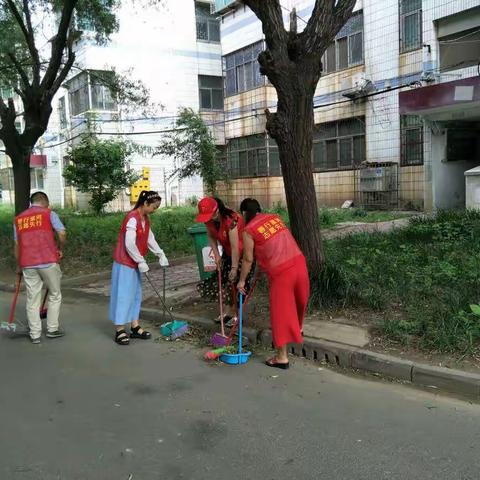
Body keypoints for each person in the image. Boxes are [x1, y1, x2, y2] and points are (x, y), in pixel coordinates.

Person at [237, 198, 310, 369]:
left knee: (281, 314)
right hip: (299, 263)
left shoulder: (249, 230)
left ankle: (281, 358)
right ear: (259, 209)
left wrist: (242, 281)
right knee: (300, 301)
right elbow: (274, 244)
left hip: (281, 273)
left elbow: (248, 259)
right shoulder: (275, 218)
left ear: (244, 213)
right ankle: (298, 328)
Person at [109, 190, 169, 345]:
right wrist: (140, 260)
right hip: (124, 263)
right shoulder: (132, 218)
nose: (155, 210)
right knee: (123, 295)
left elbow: (149, 238)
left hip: (135, 263)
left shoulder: (145, 218)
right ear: (145, 203)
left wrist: (160, 253)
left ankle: (134, 327)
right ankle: (120, 329)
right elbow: (129, 243)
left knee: (136, 294)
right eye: (154, 207)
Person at [14, 191, 66, 344]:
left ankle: (35, 334)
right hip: (49, 260)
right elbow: (62, 233)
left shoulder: (19, 219)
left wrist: (19, 266)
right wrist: (59, 248)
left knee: (32, 298)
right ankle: (52, 329)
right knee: (55, 295)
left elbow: (16, 245)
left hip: (28, 263)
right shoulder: (49, 214)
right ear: (44, 201)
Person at [195, 197, 244, 325]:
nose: (208, 219)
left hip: (241, 253)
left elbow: (234, 247)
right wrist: (217, 256)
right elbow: (211, 236)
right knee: (222, 282)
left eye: (210, 215)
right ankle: (226, 313)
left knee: (235, 282)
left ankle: (236, 315)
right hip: (227, 253)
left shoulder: (231, 219)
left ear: (217, 210)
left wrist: (234, 268)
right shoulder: (209, 220)